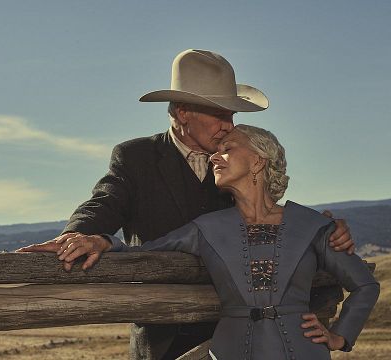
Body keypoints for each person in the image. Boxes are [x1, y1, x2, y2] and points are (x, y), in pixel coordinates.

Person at [18, 49, 355, 359]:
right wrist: (82, 234)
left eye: (232, 115)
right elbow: (105, 203)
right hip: (163, 335)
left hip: (239, 335)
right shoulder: (136, 157)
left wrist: (326, 229)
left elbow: (273, 217)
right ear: (183, 111)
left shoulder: (235, 162)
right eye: (220, 114)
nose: (229, 126)